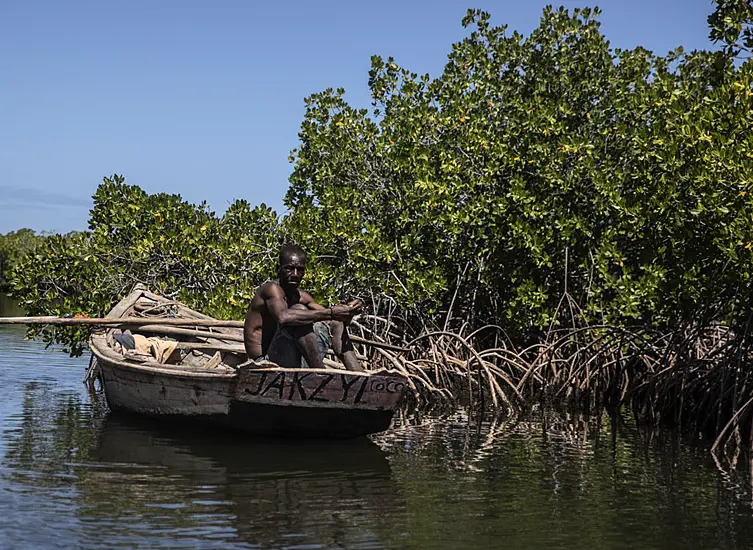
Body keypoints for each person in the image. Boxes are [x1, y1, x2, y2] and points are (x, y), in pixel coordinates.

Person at [243, 244, 365, 372]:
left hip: (291, 357)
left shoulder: (300, 295)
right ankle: (320, 374)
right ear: (278, 269)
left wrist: (348, 311)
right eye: (289, 268)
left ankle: (358, 374)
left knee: (336, 322)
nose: (295, 274)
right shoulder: (271, 289)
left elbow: (331, 319)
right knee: (299, 312)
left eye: (299, 269)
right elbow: (283, 317)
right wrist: (332, 312)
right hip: (265, 362)